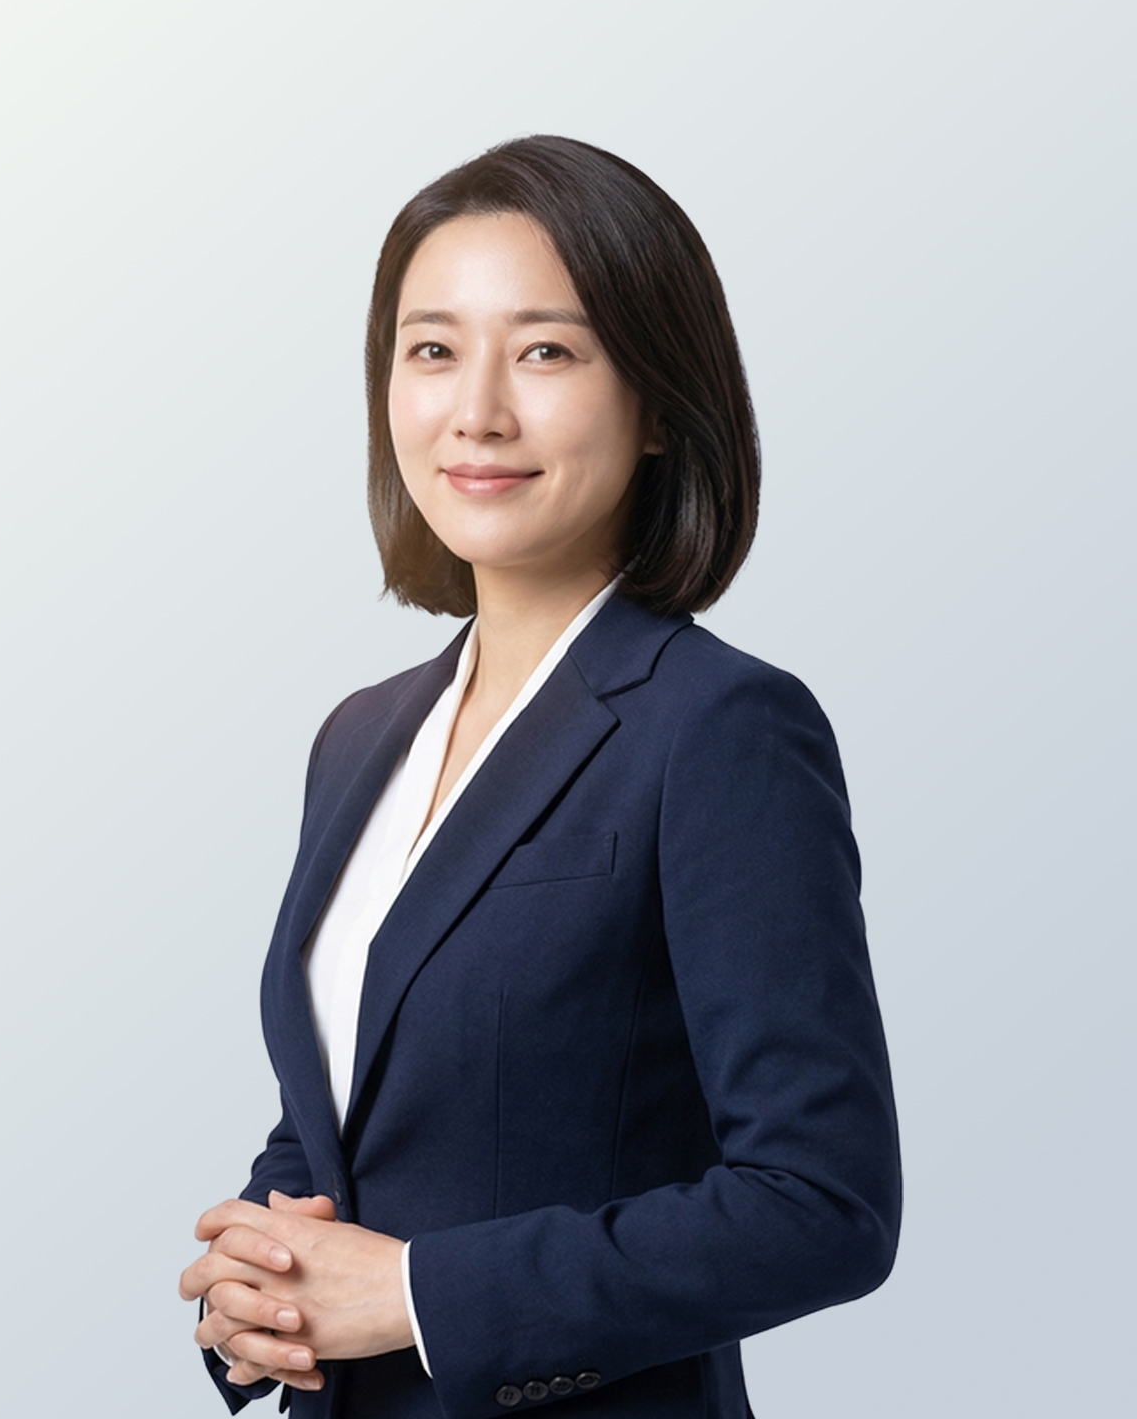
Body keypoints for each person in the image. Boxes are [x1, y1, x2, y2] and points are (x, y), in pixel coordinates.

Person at [179, 134, 901, 1419]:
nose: (477, 411)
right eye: (431, 349)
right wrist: (258, 1283)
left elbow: (820, 1203)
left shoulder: (718, 728)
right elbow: (354, 1106)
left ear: (660, 406)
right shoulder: (357, 739)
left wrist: (419, 1297)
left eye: (546, 352)